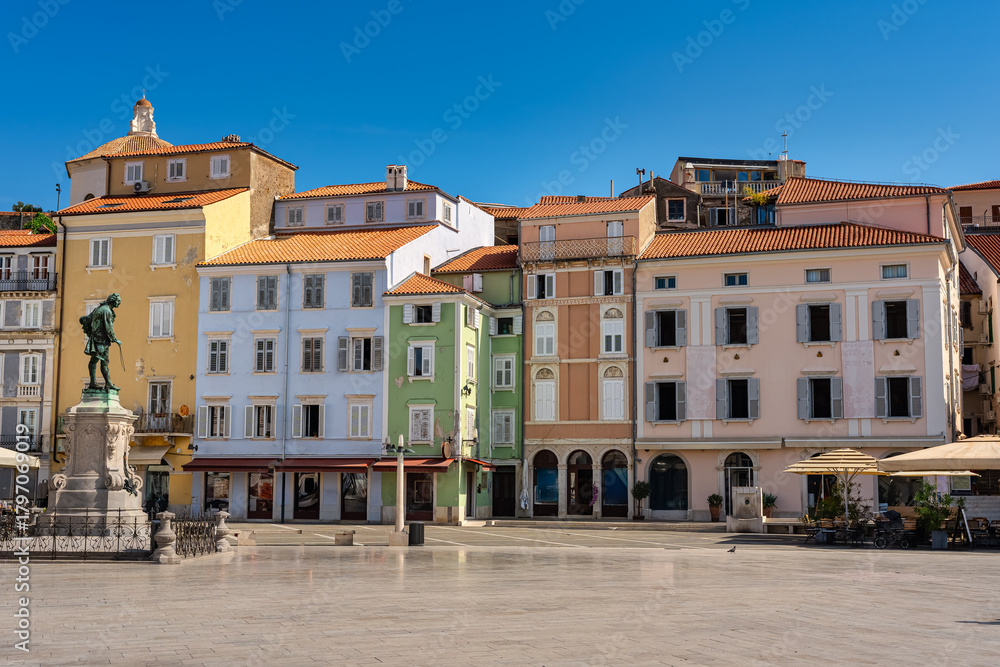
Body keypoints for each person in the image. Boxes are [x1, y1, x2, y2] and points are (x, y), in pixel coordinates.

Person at [80, 293, 122, 391]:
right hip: (101, 340)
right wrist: (115, 339)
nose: (119, 303)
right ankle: (105, 383)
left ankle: (96, 382)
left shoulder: (99, 308)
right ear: (114, 301)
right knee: (102, 362)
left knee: (95, 360)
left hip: (96, 338)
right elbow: (108, 327)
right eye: (118, 301)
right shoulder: (106, 311)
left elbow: (87, 319)